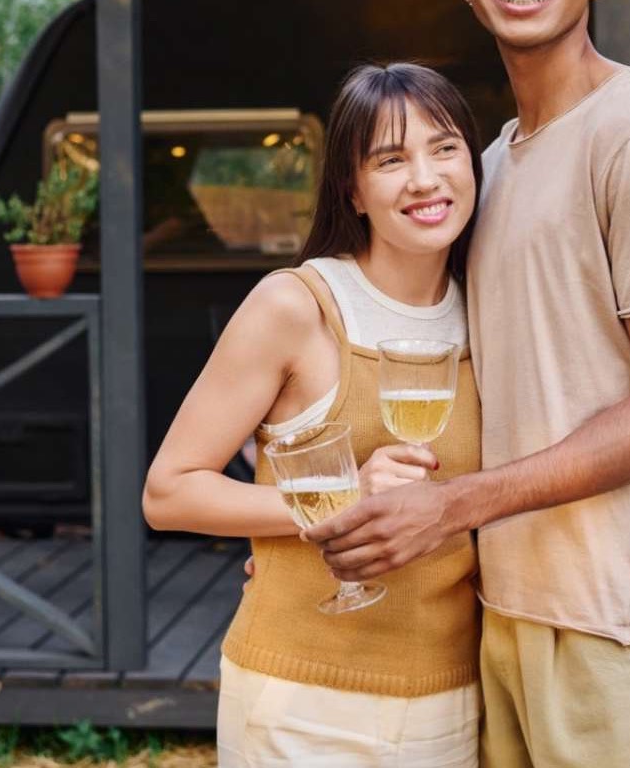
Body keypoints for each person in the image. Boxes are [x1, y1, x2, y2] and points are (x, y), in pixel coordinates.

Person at [304, 0, 630, 767]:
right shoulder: (491, 162)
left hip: (623, 618)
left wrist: (455, 503)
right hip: (508, 605)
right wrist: (311, 514)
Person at [142, 62, 487, 767]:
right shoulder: (296, 307)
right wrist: (337, 501)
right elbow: (169, 491)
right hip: (305, 702)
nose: (425, 179)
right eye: (391, 160)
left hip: (455, 698)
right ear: (353, 190)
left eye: (444, 148)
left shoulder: (493, 309)